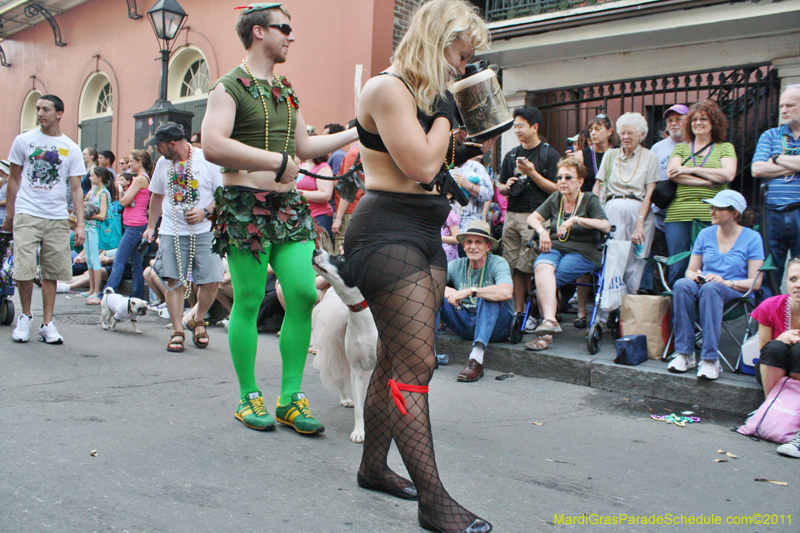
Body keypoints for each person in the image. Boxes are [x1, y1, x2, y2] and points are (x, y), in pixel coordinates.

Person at [343, 1, 492, 531]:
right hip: (386, 232)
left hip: (424, 230)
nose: (463, 64)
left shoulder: (423, 95)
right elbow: (422, 163)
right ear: (437, 38)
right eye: (460, 51)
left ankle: (373, 468)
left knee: (393, 358)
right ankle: (435, 501)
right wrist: (451, 113)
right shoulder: (388, 89)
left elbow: (436, 172)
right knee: (417, 364)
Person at [201, 3, 357, 435]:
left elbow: (305, 147)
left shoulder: (286, 90)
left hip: (288, 208)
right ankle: (248, 396)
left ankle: (290, 398)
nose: (291, 35)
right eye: (284, 27)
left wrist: (360, 129)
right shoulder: (227, 87)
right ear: (257, 32)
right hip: (244, 206)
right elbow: (212, 144)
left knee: (304, 294)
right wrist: (276, 160)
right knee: (249, 301)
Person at [3, 94, 86, 343]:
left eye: (46, 109)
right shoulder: (24, 140)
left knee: (51, 272)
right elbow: (14, 179)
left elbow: (76, 188)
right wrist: (10, 214)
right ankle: (26, 316)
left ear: (59, 114)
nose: (40, 113)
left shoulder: (71, 148)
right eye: (38, 109)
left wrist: (80, 223)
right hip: (28, 212)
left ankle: (47, 323)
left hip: (57, 217)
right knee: (24, 269)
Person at [143, 122, 223, 353]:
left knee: (211, 280)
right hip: (171, 230)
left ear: (172, 143)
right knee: (174, 281)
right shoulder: (163, 163)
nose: (157, 150)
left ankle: (197, 319)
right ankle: (177, 330)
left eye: (159, 145)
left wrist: (205, 212)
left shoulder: (207, 159)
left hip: (205, 230)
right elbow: (157, 196)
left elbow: (222, 194)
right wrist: (151, 226)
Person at [667, 190, 764, 380]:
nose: (712, 212)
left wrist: (726, 282)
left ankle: (710, 359)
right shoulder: (705, 234)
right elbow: (690, 270)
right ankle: (684, 353)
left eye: (718, 208)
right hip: (706, 286)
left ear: (734, 213)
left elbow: (756, 282)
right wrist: (697, 277)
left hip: (735, 291)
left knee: (711, 289)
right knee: (682, 284)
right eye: (712, 207)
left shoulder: (752, 238)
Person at [526, 157, 609, 348]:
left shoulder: (589, 199)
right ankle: (549, 322)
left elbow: (605, 225)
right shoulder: (556, 198)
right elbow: (533, 218)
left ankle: (545, 336)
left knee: (547, 280)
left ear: (580, 182)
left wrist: (576, 220)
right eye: (559, 177)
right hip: (555, 247)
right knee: (541, 268)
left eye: (568, 177)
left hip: (584, 252)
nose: (562, 181)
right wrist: (542, 231)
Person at [497, 107, 560, 329]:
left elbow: (557, 189)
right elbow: (501, 185)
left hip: (536, 218)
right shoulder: (511, 154)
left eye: (520, 125)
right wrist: (507, 187)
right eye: (514, 126)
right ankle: (517, 313)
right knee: (512, 267)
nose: (516, 130)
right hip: (512, 216)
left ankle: (536, 313)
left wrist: (532, 173)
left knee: (533, 267)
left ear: (534, 127)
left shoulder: (548, 154)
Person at [664, 100, 737, 288]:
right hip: (679, 214)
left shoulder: (724, 147)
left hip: (711, 214)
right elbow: (672, 174)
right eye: (694, 119)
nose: (698, 122)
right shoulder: (681, 148)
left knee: (708, 264)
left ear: (714, 122)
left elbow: (728, 174)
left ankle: (704, 306)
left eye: (703, 118)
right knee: (677, 265)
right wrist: (708, 181)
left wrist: (688, 169)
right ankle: (677, 307)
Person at [593, 112, 660, 295]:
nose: (625, 137)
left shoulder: (650, 157)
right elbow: (598, 186)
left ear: (641, 135)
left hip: (639, 211)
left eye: (630, 133)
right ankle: (606, 312)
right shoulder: (610, 155)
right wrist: (596, 215)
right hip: (612, 209)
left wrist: (640, 222)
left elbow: (650, 192)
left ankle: (628, 309)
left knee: (635, 262)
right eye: (622, 133)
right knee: (612, 259)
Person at [440, 220, 513, 382]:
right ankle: (426, 353)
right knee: (435, 293)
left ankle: (476, 360)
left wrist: (472, 291)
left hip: (497, 327)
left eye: (478, 242)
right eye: (469, 242)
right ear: (463, 246)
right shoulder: (456, 265)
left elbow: (507, 291)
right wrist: (447, 291)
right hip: (466, 323)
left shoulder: (498, 263)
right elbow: (430, 282)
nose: (473, 246)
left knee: (487, 294)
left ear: (487, 247)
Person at [752, 85, 800, 293]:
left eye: (790, 105)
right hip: (772, 211)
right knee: (770, 270)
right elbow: (756, 168)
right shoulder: (770, 135)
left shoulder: (775, 148)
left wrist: (778, 158)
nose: (784, 110)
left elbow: (767, 166)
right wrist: (794, 163)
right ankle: (771, 322)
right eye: (782, 106)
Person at [750, 256, 800, 458]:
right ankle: (770, 410)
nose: (798, 285)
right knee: (776, 346)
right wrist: (782, 337)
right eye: (793, 279)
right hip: (774, 368)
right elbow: (764, 351)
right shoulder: (771, 305)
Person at [643, 104, 688, 290]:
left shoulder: (694, 145)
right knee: (662, 263)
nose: (673, 123)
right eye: (670, 120)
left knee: (683, 261)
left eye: (678, 119)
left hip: (685, 211)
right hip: (660, 215)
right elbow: (649, 180)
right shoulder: (657, 148)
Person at [104, 150, 152, 299]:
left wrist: (120, 190)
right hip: (136, 224)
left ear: (140, 162)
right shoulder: (144, 179)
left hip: (134, 225)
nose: (129, 164)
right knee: (136, 263)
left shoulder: (139, 179)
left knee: (119, 260)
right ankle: (137, 294)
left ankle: (106, 294)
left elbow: (124, 201)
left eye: (131, 161)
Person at [83, 166, 116, 304]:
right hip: (89, 227)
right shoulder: (94, 191)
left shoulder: (103, 193)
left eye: (92, 176)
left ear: (100, 177)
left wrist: (89, 215)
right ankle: (91, 289)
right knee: (90, 258)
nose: (90, 178)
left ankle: (97, 290)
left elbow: (102, 215)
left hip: (97, 228)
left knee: (95, 258)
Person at [567, 114, 620, 193]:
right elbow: (574, 182)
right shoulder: (582, 155)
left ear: (609, 131)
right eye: (591, 130)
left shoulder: (618, 152)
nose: (593, 133)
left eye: (597, 129)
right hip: (588, 200)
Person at [297, 144, 335, 241]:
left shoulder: (323, 167)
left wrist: (298, 193)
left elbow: (326, 195)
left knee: (322, 253)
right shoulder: (302, 165)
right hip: (302, 217)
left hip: (319, 217)